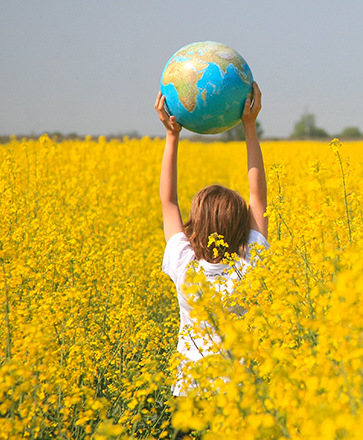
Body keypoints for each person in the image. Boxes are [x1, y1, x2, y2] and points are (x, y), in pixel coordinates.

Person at [155, 83, 269, 400]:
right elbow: (258, 198)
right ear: (241, 227)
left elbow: (168, 203)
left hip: (189, 395)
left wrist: (172, 136)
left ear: (197, 225)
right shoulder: (249, 265)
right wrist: (250, 124)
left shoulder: (185, 265)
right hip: (238, 396)